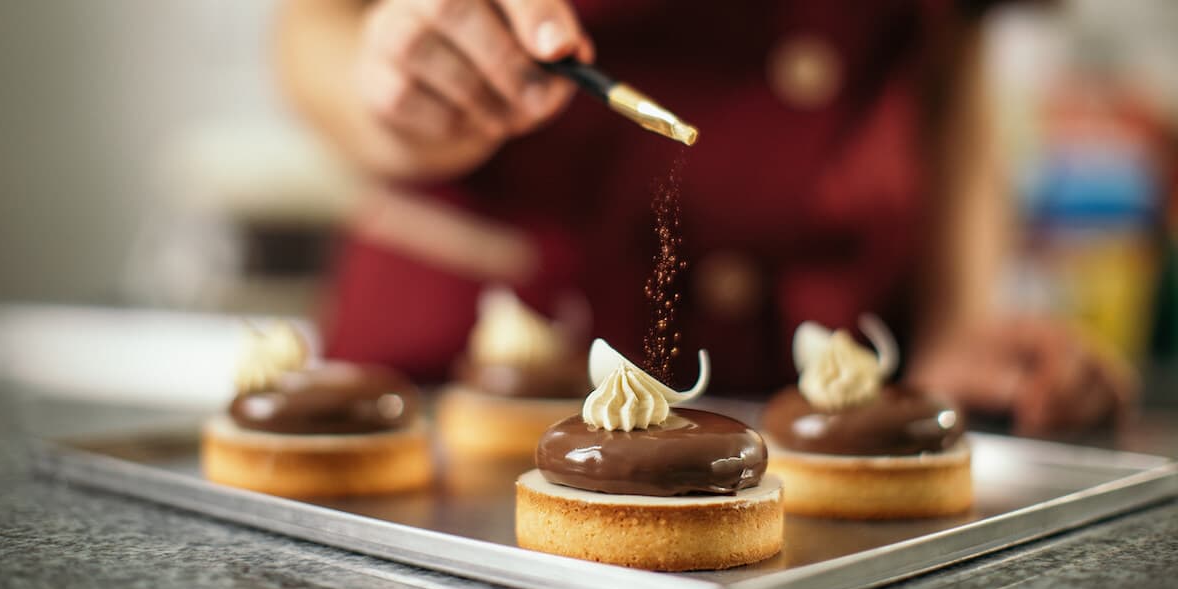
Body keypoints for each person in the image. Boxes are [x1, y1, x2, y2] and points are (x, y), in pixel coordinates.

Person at [274, 0, 1135, 435]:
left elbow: (951, 59)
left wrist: (958, 327)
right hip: (464, 384)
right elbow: (314, 23)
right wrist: (379, 83)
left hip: (819, 393)